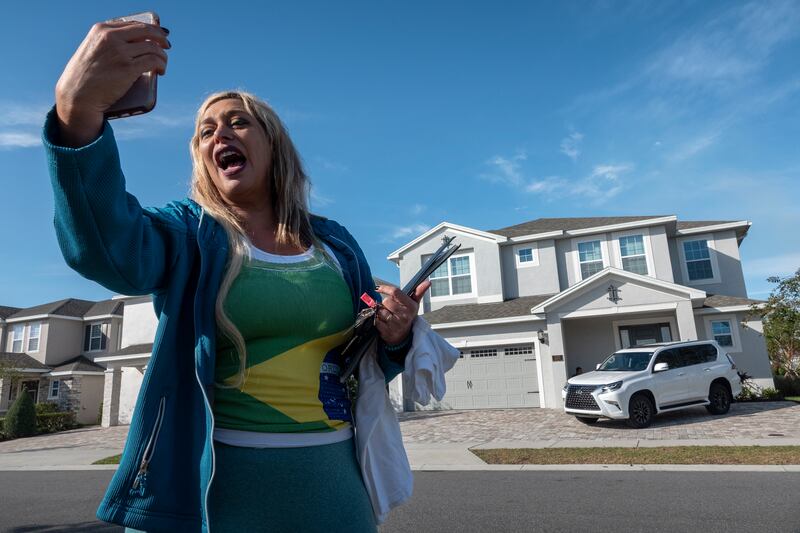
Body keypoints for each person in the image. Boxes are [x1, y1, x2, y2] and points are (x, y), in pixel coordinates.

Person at [45, 20, 429, 533]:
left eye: (237, 123)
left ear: (274, 145)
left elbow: (366, 359)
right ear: (203, 159)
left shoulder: (335, 244)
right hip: (214, 491)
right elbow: (105, 251)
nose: (219, 134)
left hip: (334, 482)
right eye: (206, 131)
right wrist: (80, 113)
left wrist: (397, 334)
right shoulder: (188, 233)